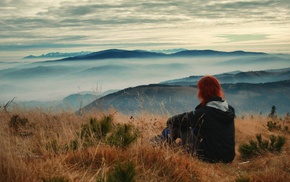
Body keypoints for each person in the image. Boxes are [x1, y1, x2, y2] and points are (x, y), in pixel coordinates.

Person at [162, 75, 235, 163]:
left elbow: (172, 120)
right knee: (196, 129)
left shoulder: (204, 113)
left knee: (177, 127)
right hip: (228, 158)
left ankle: (157, 146)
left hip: (209, 158)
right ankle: (173, 146)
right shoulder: (229, 109)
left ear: (203, 92)